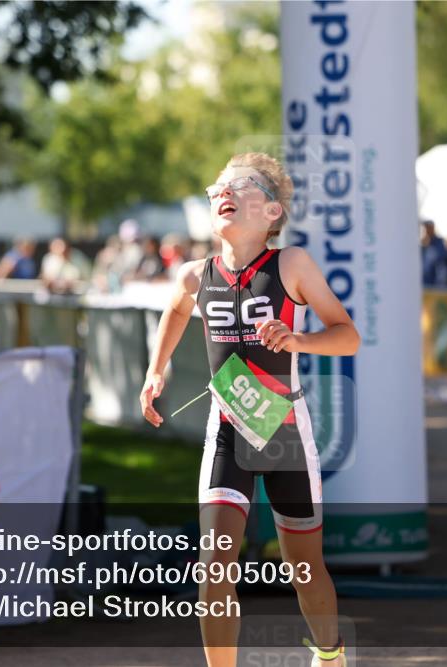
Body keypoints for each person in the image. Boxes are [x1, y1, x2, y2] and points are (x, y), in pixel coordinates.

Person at [139, 152, 359, 667]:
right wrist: (157, 371)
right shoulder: (197, 275)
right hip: (227, 429)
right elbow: (175, 310)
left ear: (272, 212)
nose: (225, 193)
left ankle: (330, 654)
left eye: (242, 186)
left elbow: (348, 338)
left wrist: (298, 339)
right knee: (214, 565)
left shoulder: (292, 265)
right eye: (218, 186)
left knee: (304, 569)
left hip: (283, 431)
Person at [419, 220, 447, 287]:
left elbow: (441, 261)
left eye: (429, 228)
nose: (427, 230)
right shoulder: (424, 245)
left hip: (436, 283)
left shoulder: (439, 243)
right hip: (426, 282)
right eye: (426, 228)